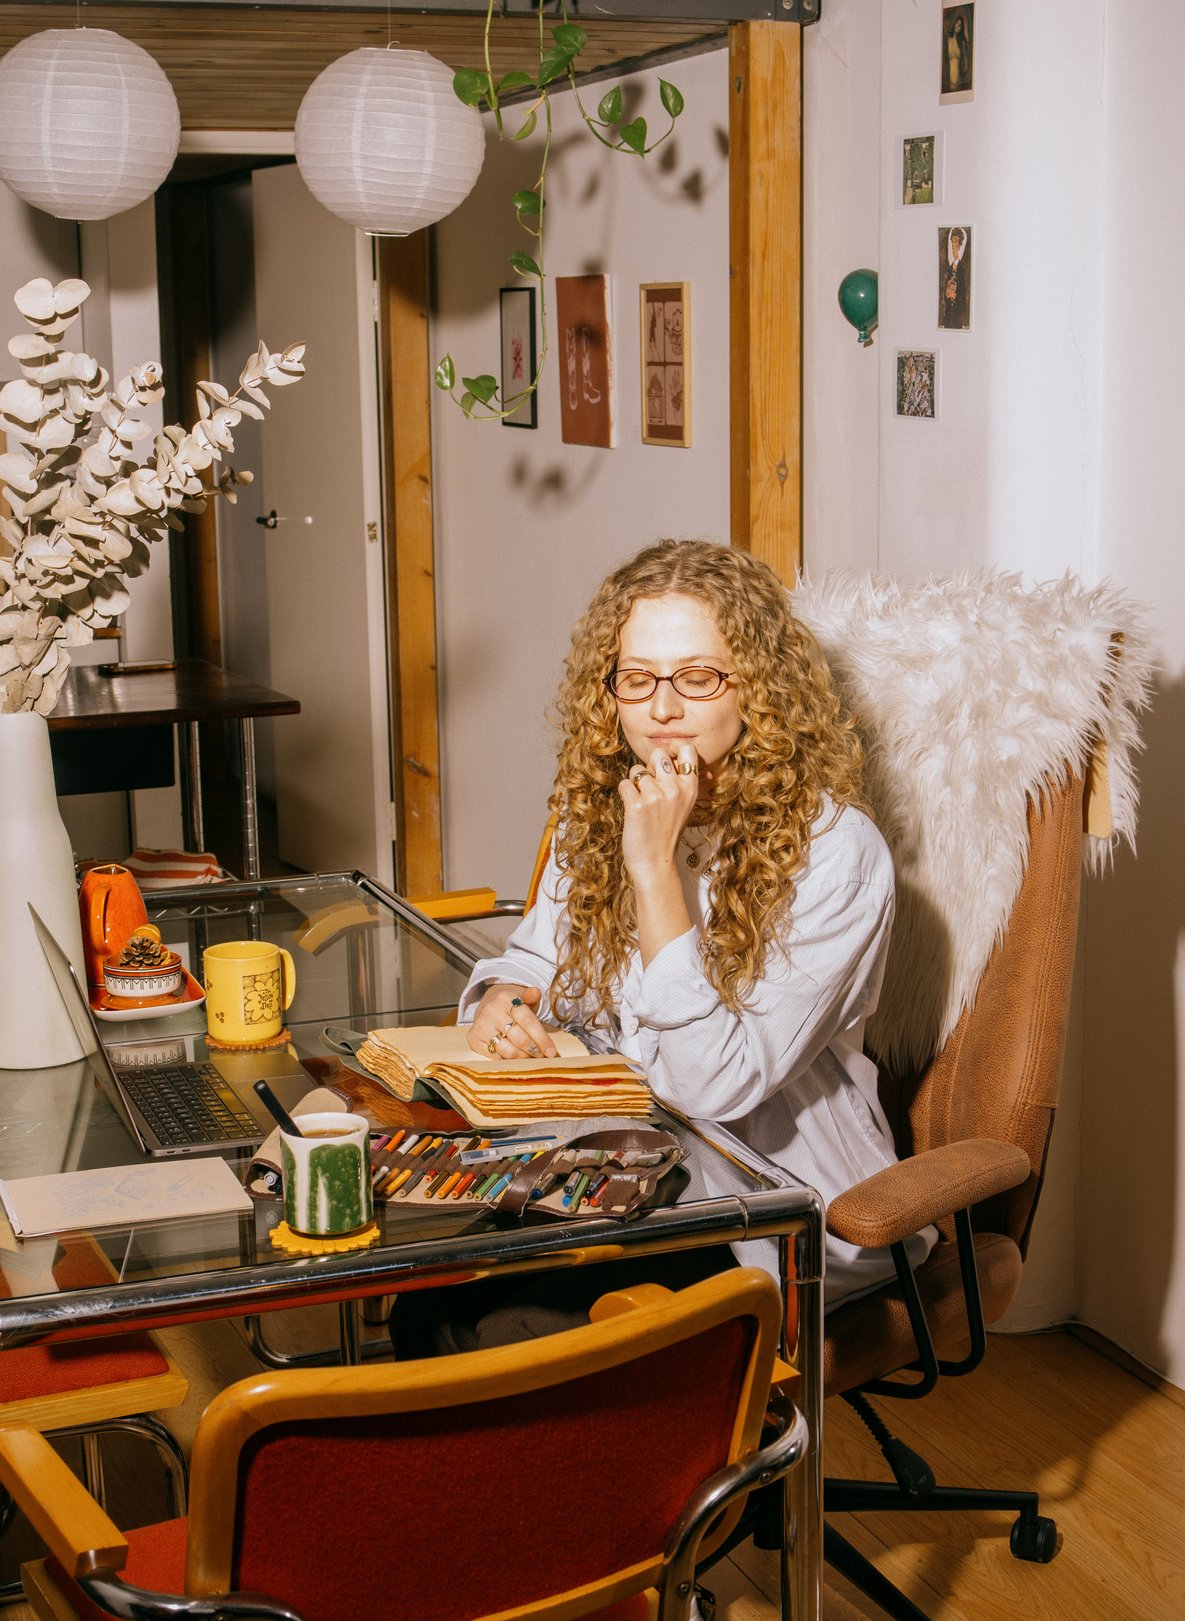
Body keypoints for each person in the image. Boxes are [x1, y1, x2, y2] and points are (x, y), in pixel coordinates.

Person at [389, 539, 915, 1358]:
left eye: (698, 677)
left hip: (758, 1208)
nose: (662, 707)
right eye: (638, 679)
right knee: (425, 1300)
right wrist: (503, 999)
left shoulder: (837, 853)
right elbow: (532, 958)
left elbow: (711, 1083)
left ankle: (733, 1482)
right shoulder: (603, 811)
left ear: (758, 689)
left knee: (515, 1336)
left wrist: (655, 870)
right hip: (609, 1165)